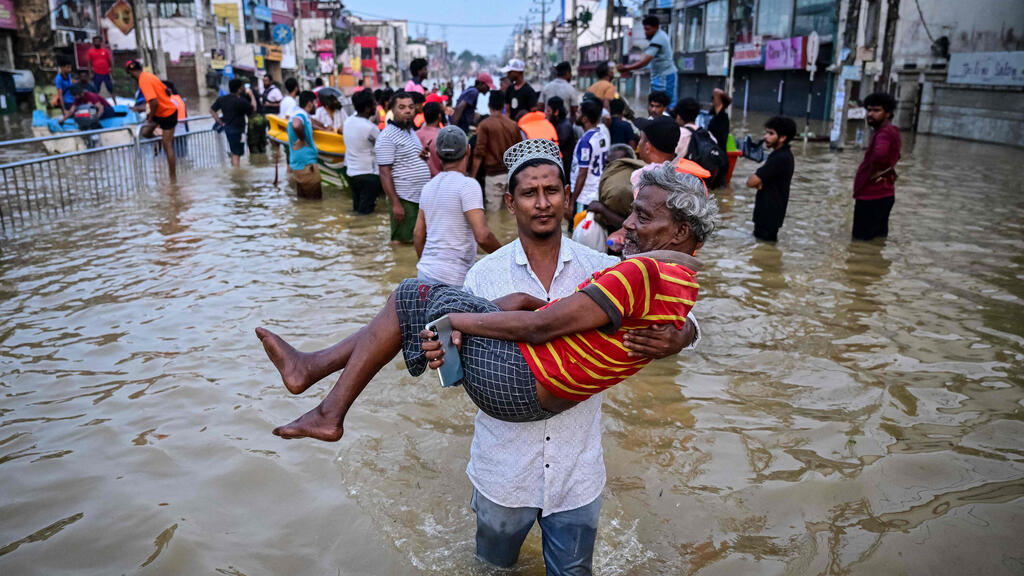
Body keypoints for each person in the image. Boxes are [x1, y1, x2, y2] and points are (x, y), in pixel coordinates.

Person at [256, 160, 714, 437]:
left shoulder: (609, 265)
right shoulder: (483, 271)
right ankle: (315, 380)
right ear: (509, 204)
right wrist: (441, 342)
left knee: (414, 292)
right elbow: (450, 368)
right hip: (505, 454)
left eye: (552, 191)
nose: (542, 203)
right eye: (529, 193)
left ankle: (320, 391)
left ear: (567, 197)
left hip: (560, 444)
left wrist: (683, 336)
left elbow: (686, 325)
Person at [413, 125, 501, 286]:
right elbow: (483, 236)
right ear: (468, 150)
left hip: (424, 274)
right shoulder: (468, 185)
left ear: (438, 154)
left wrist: (429, 266)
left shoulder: (428, 187)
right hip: (454, 279)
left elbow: (418, 235)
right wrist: (504, 256)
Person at [376, 91, 432, 243]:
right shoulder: (387, 137)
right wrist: (396, 203)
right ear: (392, 110)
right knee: (401, 243)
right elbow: (384, 173)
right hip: (404, 198)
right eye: (402, 107)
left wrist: (424, 156)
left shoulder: (410, 132)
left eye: (411, 107)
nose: (407, 111)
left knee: (416, 241)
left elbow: (410, 160)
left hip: (418, 197)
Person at [853, 92, 901, 241]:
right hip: (884, 195)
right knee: (877, 242)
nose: (870, 114)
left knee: (860, 244)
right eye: (869, 110)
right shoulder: (891, 131)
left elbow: (880, 155)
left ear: (888, 113)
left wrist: (875, 173)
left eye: (876, 110)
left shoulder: (884, 134)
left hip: (872, 196)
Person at [746, 116, 796, 242]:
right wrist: (760, 182)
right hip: (771, 214)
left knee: (763, 250)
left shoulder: (779, 158)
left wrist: (759, 182)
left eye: (771, 133)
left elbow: (751, 182)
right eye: (766, 132)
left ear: (783, 138)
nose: (766, 137)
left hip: (768, 215)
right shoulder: (783, 155)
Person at [470, 91, 523, 211]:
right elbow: (520, 152)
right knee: (510, 214)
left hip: (493, 177)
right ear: (504, 105)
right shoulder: (513, 125)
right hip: (511, 175)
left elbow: (479, 153)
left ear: (489, 105)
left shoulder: (485, 125)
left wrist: (472, 178)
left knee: (494, 216)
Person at [127, 60, 178, 180]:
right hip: (160, 112)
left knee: (168, 146)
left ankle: (173, 178)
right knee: (145, 133)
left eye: (130, 74)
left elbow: (154, 102)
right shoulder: (151, 76)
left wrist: (150, 119)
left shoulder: (143, 80)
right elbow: (168, 91)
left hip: (168, 113)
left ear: (131, 72)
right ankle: (160, 140)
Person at [617, 15, 678, 108]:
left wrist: (626, 68)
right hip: (659, 77)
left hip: (665, 77)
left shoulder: (658, 39)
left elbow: (644, 62)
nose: (645, 32)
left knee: (666, 105)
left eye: (648, 29)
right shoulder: (659, 36)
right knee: (656, 105)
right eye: (644, 29)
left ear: (656, 28)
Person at [587, 144, 646, 233]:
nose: (610, 166)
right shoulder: (642, 172)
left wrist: (601, 208)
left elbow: (630, 225)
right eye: (608, 163)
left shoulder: (622, 185)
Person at [343, 89, 382, 215]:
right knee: (366, 214)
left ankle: (356, 233)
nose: (376, 108)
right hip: (369, 175)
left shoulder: (348, 121)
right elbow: (383, 147)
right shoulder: (370, 128)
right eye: (374, 105)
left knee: (357, 209)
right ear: (367, 108)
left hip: (351, 174)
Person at [570, 99, 609, 214]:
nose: (576, 114)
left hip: (584, 196)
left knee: (578, 229)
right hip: (597, 193)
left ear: (584, 118)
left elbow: (583, 172)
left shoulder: (586, 141)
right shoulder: (602, 136)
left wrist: (572, 201)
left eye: (578, 112)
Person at [211, 78, 256, 167]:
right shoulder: (240, 101)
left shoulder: (223, 99)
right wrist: (252, 96)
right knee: (237, 153)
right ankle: (236, 172)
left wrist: (219, 121)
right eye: (242, 87)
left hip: (228, 128)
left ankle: (235, 167)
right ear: (239, 89)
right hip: (238, 130)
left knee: (234, 151)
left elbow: (212, 110)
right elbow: (254, 109)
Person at [546, 96, 576, 184]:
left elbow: (557, 146)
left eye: (548, 111)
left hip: (565, 170)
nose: (546, 114)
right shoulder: (558, 124)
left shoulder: (564, 126)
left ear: (556, 112)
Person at [416, 101, 444, 177]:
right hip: (438, 180)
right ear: (439, 116)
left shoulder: (415, 135)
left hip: (419, 179)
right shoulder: (443, 136)